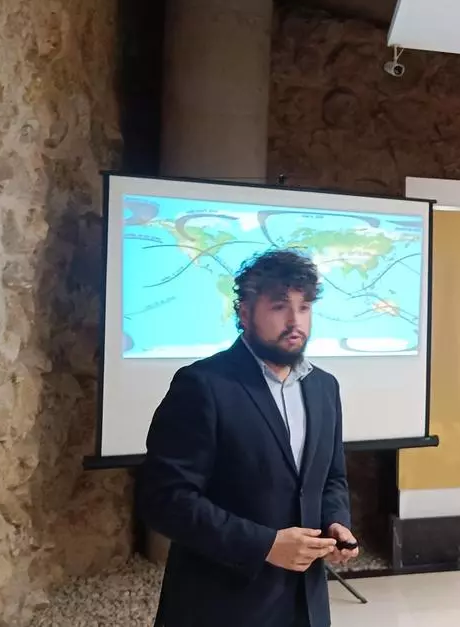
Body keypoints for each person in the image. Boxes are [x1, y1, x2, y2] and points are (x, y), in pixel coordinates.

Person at [137, 248, 358, 627]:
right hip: (219, 607)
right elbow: (165, 499)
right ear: (244, 313)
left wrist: (335, 521)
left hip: (306, 608)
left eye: (304, 307)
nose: (295, 321)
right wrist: (265, 545)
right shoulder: (202, 385)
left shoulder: (324, 387)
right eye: (279, 307)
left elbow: (330, 479)